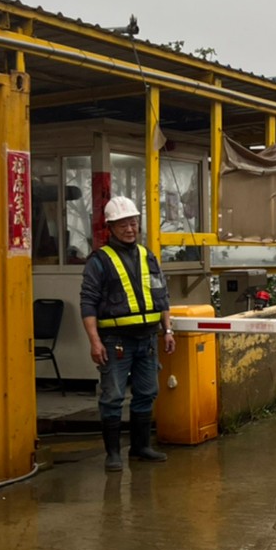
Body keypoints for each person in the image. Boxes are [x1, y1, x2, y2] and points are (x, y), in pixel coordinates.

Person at [80, 196, 175, 471]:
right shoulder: (99, 261)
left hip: (147, 339)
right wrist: (94, 342)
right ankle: (113, 454)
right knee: (113, 396)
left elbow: (161, 295)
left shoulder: (147, 255)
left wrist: (167, 330)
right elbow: (88, 303)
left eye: (133, 223)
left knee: (147, 392)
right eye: (123, 224)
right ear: (110, 227)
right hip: (114, 341)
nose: (130, 229)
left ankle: (141, 447)